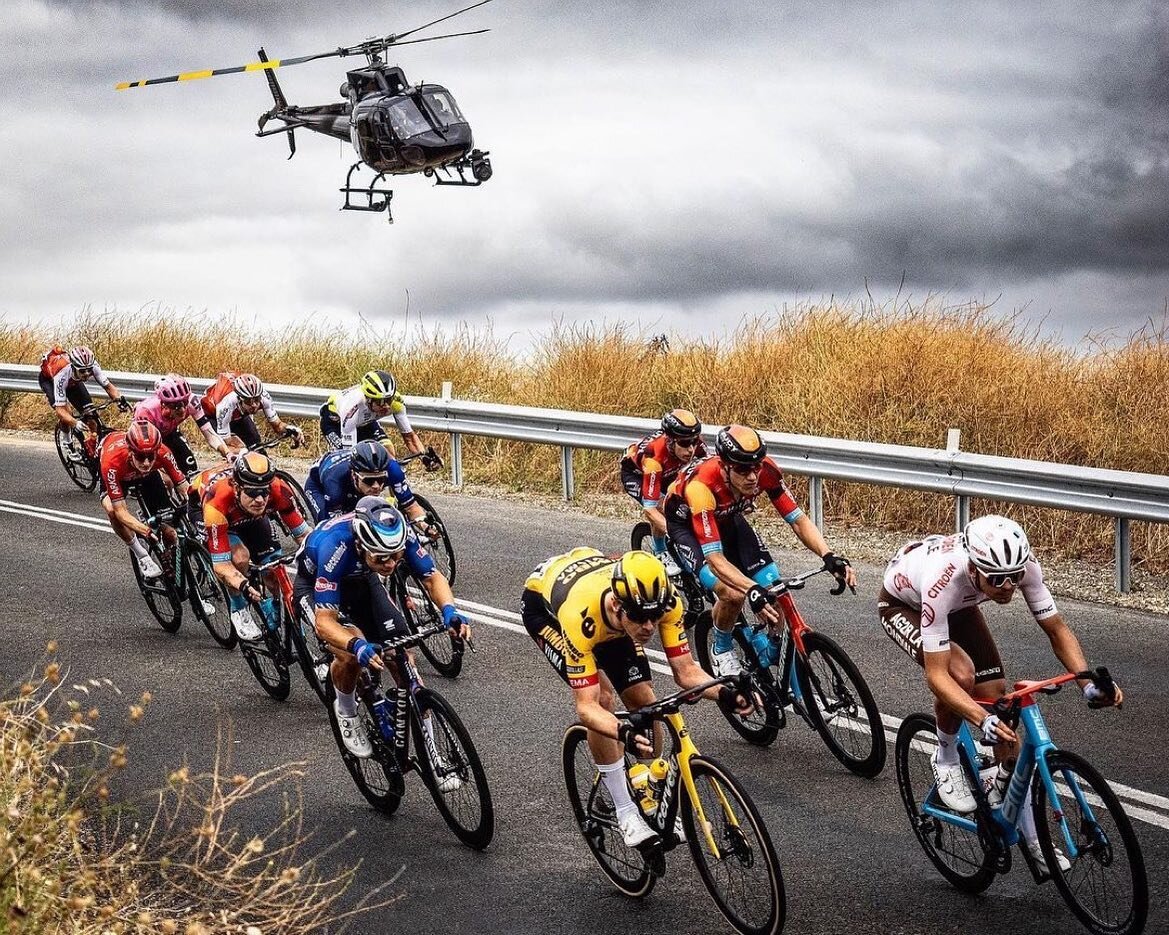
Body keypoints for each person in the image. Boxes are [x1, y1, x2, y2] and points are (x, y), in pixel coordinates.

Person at [878, 514, 1124, 876]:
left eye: (1014, 578)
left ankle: (1030, 836)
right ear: (974, 569)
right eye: (997, 580)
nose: (1008, 587)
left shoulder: (1019, 568)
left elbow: (1056, 629)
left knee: (999, 699)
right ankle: (945, 757)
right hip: (906, 605)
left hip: (960, 607)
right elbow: (936, 676)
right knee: (960, 675)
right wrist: (981, 719)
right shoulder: (942, 579)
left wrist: (1086, 683)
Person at [522, 548, 753, 849]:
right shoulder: (579, 615)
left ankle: (649, 793)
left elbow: (685, 672)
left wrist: (726, 693)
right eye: (640, 618)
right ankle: (625, 810)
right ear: (618, 604)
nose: (648, 627)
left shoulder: (666, 601)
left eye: (654, 617)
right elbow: (586, 706)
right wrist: (623, 732)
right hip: (548, 609)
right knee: (604, 699)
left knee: (646, 700)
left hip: (602, 593)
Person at [663, 424, 856, 676]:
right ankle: (721, 648)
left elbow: (798, 520)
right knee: (733, 594)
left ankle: (773, 648)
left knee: (774, 586)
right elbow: (714, 559)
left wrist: (828, 555)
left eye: (755, 467)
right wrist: (751, 590)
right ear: (724, 466)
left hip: (727, 517)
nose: (752, 476)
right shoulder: (701, 488)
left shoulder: (766, 471)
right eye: (743, 470)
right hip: (687, 526)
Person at [294, 498, 469, 777]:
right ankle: (347, 709)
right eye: (382, 558)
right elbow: (324, 623)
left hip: (364, 579)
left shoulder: (400, 536)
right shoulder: (334, 547)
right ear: (362, 546)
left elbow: (431, 577)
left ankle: (435, 760)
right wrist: (357, 644)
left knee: (403, 656)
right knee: (350, 655)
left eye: (396, 556)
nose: (390, 564)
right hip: (316, 587)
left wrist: (450, 611)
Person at [198, 452, 311, 641]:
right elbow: (221, 566)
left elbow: (304, 535)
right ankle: (239, 608)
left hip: (250, 517)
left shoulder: (278, 489)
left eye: (264, 491)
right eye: (252, 492)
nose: (260, 499)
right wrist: (242, 585)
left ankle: (274, 604)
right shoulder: (216, 503)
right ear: (236, 487)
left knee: (274, 569)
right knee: (240, 558)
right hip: (217, 514)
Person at [98, 420, 191, 581]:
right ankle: (143, 557)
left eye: (151, 457)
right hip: (120, 476)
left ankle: (169, 557)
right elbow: (121, 511)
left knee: (170, 532)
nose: (147, 462)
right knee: (112, 511)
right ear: (130, 451)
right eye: (141, 457)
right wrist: (145, 532)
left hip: (147, 477)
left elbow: (184, 488)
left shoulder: (163, 452)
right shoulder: (111, 462)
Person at [620, 409, 708, 574]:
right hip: (637, 475)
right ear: (670, 441)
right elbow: (650, 509)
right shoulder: (654, 457)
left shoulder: (695, 445)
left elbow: (708, 471)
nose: (690, 449)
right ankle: (660, 551)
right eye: (684, 443)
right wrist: (677, 532)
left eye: (694, 441)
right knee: (663, 507)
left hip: (668, 472)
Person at [303, 439, 433, 532]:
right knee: (328, 530)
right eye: (369, 481)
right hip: (318, 487)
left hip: (355, 486)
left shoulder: (393, 471)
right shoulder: (335, 482)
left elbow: (411, 507)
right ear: (354, 475)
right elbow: (334, 528)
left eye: (381, 479)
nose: (377, 486)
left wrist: (425, 527)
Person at [319, 369, 437, 469]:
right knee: (348, 463)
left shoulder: (396, 402)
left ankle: (394, 493)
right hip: (335, 423)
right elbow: (350, 451)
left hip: (366, 423)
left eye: (388, 400)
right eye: (380, 402)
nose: (386, 406)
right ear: (368, 399)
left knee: (390, 456)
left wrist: (424, 457)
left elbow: (409, 437)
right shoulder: (353, 406)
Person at [134, 373, 231, 476]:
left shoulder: (192, 402)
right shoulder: (146, 411)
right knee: (164, 479)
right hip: (148, 443)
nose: (182, 409)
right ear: (164, 404)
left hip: (170, 434)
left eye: (184, 403)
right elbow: (143, 447)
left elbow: (210, 434)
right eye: (176, 406)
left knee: (191, 471)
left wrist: (227, 453)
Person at [38, 345, 131, 442]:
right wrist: (74, 423)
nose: (87, 374)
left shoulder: (92, 365)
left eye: (89, 370)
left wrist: (120, 401)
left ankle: (92, 446)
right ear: (73, 367)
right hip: (50, 381)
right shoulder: (61, 375)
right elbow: (60, 411)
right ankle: (67, 441)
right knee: (67, 413)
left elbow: (108, 387)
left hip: (73, 382)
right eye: (82, 371)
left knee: (91, 416)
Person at [197, 371, 303, 452]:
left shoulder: (264, 397)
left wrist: (291, 430)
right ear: (240, 399)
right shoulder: (226, 405)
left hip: (238, 414)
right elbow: (227, 442)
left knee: (257, 448)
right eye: (248, 401)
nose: (254, 405)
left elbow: (278, 425)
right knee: (238, 452)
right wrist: (242, 450)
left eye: (257, 400)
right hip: (213, 416)